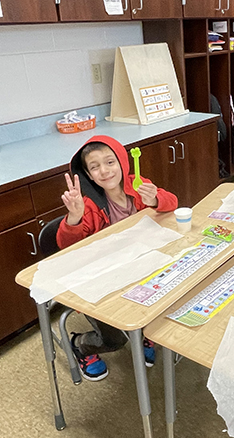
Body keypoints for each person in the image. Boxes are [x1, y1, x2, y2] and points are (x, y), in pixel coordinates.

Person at [56, 135, 178, 381]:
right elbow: (67, 247)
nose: (104, 170)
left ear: (123, 162)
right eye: (95, 166)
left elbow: (172, 203)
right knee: (113, 340)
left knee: (166, 292)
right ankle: (81, 345)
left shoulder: (139, 185)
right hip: (102, 278)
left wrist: (155, 199)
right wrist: (74, 219)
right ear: (89, 175)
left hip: (138, 268)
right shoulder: (88, 205)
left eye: (110, 162)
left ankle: (144, 335)